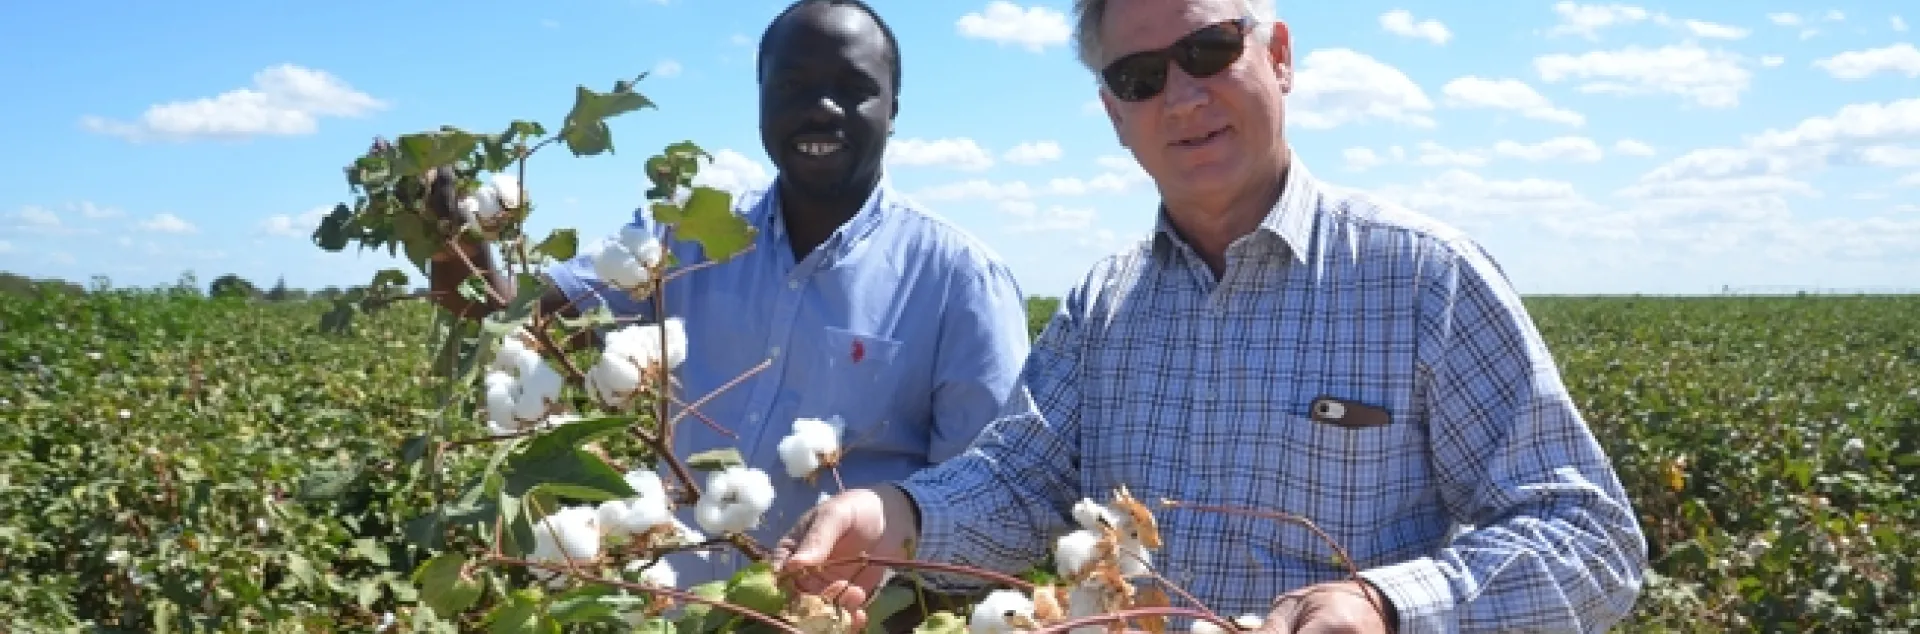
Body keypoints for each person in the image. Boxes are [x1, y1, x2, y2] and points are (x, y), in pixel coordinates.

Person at [769, 0, 1649, 632]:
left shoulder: (1422, 278)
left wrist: (1381, 606)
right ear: (1115, 116)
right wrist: (895, 515)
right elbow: (1019, 482)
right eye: (1140, 77)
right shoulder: (1104, 305)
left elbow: (1591, 536)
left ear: (1280, 55)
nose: (1182, 98)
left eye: (1209, 50)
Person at [421, 0, 1035, 611]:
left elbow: (989, 506)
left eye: (853, 90)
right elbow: (515, 316)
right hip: (679, 616)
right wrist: (451, 240)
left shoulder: (961, 281)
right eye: (794, 86)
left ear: (893, 110)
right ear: (761, 100)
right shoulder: (678, 238)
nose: (822, 109)